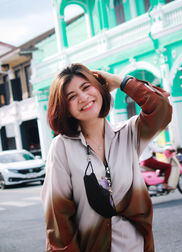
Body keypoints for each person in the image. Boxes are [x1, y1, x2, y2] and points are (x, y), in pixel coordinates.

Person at [41, 63, 172, 252]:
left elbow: (162, 107)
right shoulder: (62, 147)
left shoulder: (128, 134)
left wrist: (121, 81)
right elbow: (58, 219)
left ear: (100, 88)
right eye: (72, 96)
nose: (83, 98)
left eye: (86, 87)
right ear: (65, 107)